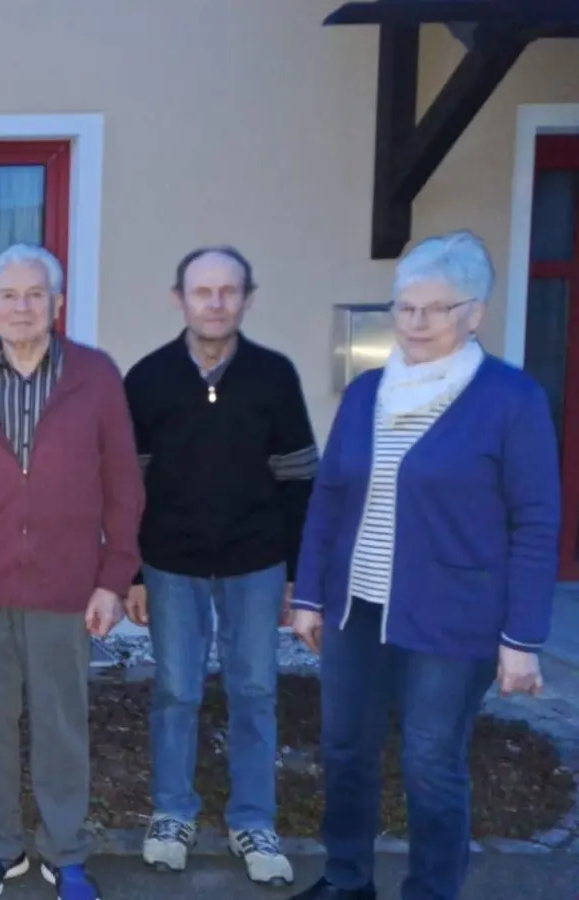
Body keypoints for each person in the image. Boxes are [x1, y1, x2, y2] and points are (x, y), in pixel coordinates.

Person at [289, 231, 558, 900]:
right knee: (345, 750)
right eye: (404, 308)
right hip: (360, 606)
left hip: (455, 615)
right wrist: (311, 596)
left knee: (431, 763)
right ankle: (347, 879)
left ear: (475, 313)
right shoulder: (368, 392)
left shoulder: (510, 399)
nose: (415, 323)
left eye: (435, 309)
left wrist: (521, 638)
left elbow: (535, 522)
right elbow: (329, 497)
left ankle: (432, 892)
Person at [0, 244, 142, 900]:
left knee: (60, 724)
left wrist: (114, 576)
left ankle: (66, 852)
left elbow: (124, 486)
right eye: (9, 296)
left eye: (34, 294)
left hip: (65, 585)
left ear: (56, 304)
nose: (21, 307)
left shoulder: (97, 376)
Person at [121, 247, 314, 886]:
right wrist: (133, 573)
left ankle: (253, 819)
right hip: (171, 563)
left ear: (247, 299)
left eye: (228, 291)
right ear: (179, 298)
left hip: (256, 563)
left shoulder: (274, 375)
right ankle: (172, 813)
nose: (215, 302)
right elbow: (130, 484)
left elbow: (298, 476)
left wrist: (297, 573)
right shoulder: (147, 379)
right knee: (176, 690)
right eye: (202, 291)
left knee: (254, 690)